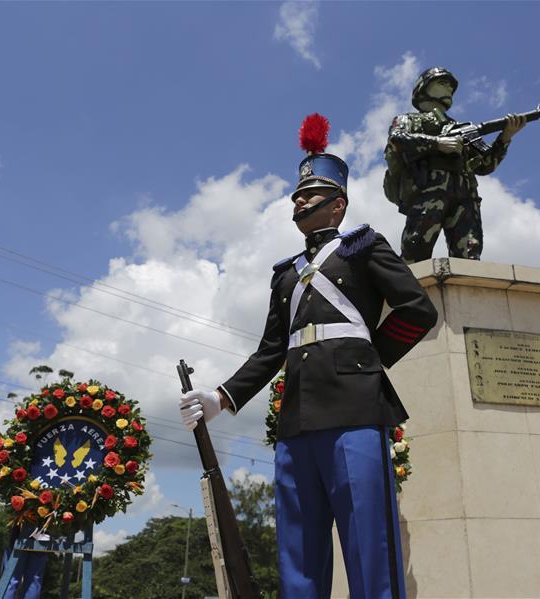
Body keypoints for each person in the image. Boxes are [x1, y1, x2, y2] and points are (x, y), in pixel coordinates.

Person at [179, 122, 438, 598]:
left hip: (356, 412)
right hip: (296, 420)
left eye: (311, 195)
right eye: (296, 196)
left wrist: (368, 361)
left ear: (337, 203)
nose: (298, 203)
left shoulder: (363, 248)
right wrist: (221, 397)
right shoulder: (285, 276)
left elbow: (418, 310)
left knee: (368, 545)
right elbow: (270, 350)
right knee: (297, 550)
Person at [384, 66, 527, 262]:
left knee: (470, 253)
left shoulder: (462, 128)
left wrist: (505, 137)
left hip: (465, 193)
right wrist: (437, 143)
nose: (449, 89)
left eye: (451, 86)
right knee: (415, 250)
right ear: (423, 88)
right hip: (429, 191)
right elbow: (397, 139)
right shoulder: (409, 119)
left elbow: (484, 166)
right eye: (443, 83)